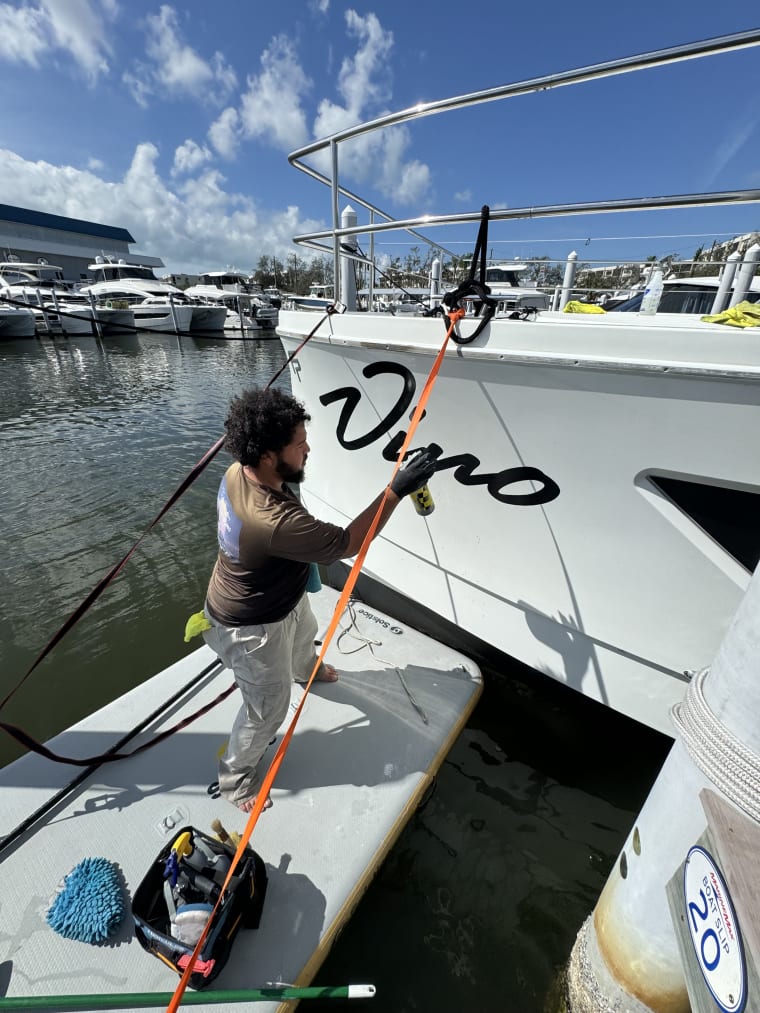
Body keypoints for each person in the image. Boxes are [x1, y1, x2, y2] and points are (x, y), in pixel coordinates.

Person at [202, 386, 438, 813]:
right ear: (270, 455)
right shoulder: (273, 520)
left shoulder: (242, 470)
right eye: (299, 444)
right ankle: (236, 778)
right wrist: (396, 490)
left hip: (277, 597)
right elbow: (348, 543)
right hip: (250, 626)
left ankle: (304, 668)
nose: (308, 448)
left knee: (305, 632)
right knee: (267, 712)